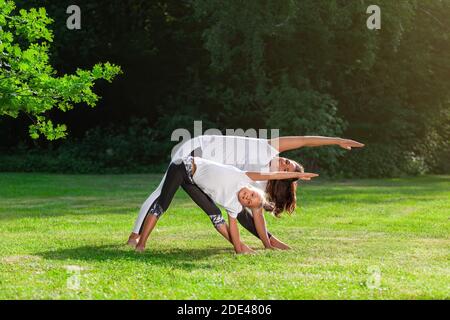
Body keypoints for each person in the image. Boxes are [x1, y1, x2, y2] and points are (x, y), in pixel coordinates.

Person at [128, 134, 364, 248]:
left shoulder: (257, 186)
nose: (283, 161)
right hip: (198, 148)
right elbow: (303, 139)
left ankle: (138, 237)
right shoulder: (269, 148)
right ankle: (135, 237)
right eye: (286, 161)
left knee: (229, 210)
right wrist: (335, 141)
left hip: (203, 169)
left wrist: (268, 240)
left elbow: (251, 215)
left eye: (286, 168)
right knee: (162, 192)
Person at [135, 156, 319, 253]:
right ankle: (141, 243)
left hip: (192, 182)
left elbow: (235, 227)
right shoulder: (244, 177)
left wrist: (240, 247)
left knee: (216, 216)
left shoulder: (233, 206)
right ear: (253, 189)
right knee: (162, 204)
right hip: (183, 166)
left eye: (247, 201)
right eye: (251, 195)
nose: (247, 197)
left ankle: (244, 247)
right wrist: (297, 176)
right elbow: (273, 176)